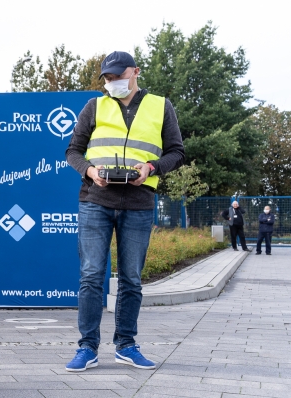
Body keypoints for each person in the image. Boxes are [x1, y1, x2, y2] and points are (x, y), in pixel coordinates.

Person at [64, 51, 185, 372]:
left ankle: (126, 345)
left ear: (136, 72)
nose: (112, 82)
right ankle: (87, 347)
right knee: (91, 276)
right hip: (95, 200)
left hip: (139, 202)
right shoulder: (95, 106)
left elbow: (177, 152)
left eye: (118, 76)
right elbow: (73, 151)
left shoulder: (161, 106)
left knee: (131, 279)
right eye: (107, 78)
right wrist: (90, 171)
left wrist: (151, 167)